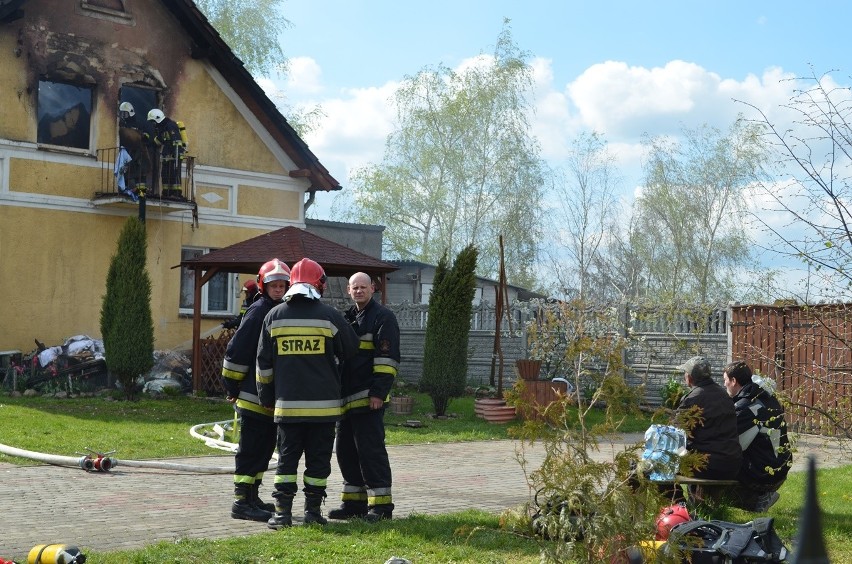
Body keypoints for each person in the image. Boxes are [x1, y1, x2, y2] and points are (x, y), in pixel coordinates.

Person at [257, 258, 359, 529]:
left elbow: (263, 365)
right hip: (324, 411)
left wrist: (266, 398)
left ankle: (282, 515)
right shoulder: (330, 316)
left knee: (286, 463)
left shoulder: (273, 316)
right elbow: (350, 349)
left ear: (291, 284)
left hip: (287, 409)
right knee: (318, 464)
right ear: (320, 284)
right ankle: (313, 514)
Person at [221, 259, 291, 522]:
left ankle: (252, 496)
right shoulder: (259, 310)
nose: (278, 289)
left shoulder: (282, 310)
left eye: (282, 284)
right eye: (273, 285)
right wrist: (231, 385)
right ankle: (241, 503)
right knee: (251, 450)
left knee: (263, 449)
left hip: (270, 398)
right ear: (263, 285)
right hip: (252, 396)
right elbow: (237, 351)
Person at [329, 272, 400, 522]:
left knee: (371, 452)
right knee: (345, 451)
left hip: (369, 399)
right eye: (354, 288)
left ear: (373, 288)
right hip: (346, 400)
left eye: (363, 287)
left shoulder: (383, 318)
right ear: (348, 290)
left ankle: (381, 507)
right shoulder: (348, 318)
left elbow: (387, 361)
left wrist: (378, 393)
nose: (359, 291)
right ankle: (353, 504)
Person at [723, 361, 792, 511]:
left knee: (719, 461)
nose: (724, 384)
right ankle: (758, 498)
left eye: (725, 380)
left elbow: (732, 443)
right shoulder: (763, 396)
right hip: (779, 466)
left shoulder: (748, 406)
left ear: (734, 381)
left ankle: (757, 500)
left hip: (766, 472)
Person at [674, 356, 742, 479]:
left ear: (689, 378)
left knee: (658, 467)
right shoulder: (725, 396)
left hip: (706, 466)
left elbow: (678, 435)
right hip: (732, 465)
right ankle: (695, 498)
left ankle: (678, 499)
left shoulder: (692, 399)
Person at [147, 108, 186, 198]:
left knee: (174, 173)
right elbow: (159, 140)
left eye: (153, 121)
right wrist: (149, 144)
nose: (153, 124)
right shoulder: (162, 128)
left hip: (174, 154)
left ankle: (176, 193)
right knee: (165, 173)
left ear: (158, 118)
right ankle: (166, 192)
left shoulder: (170, 125)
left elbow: (176, 141)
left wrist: (174, 154)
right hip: (167, 154)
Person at [118, 102, 151, 198]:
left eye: (125, 113)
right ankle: (127, 191)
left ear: (131, 112)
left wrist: (144, 136)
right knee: (127, 172)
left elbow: (148, 137)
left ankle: (141, 194)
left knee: (141, 173)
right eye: (122, 114)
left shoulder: (139, 124)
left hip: (139, 152)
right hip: (128, 152)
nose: (124, 116)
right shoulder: (121, 124)